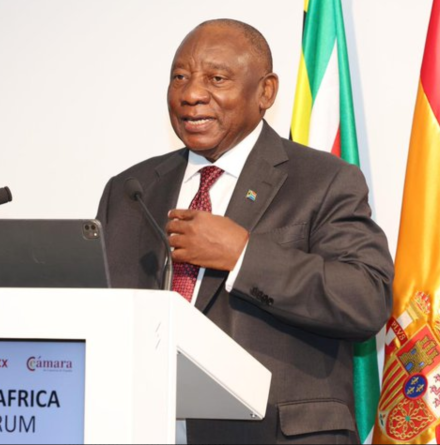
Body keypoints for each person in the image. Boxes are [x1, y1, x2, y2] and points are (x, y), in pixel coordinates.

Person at [96, 19, 393, 444]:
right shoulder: (131, 189)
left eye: (216, 79)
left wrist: (244, 255)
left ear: (266, 91)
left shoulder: (324, 180)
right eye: (179, 77)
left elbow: (365, 299)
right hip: (147, 429)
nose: (191, 94)